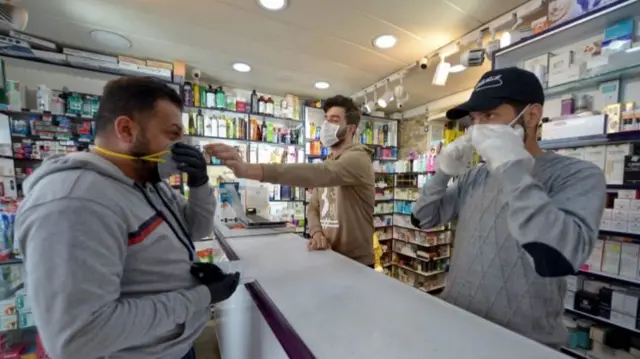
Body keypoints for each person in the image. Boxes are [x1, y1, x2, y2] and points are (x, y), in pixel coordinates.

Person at [15, 77, 239, 359]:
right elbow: (79, 337)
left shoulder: (147, 183)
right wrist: (201, 296)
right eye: (172, 135)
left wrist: (199, 183)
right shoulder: (74, 203)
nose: (180, 148)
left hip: (172, 346)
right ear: (126, 130)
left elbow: (197, 228)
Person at [411, 67, 605, 347]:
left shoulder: (577, 175)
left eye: (489, 116)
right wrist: (443, 172)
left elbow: (557, 257)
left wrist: (512, 168)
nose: (477, 130)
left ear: (531, 115)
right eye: (474, 119)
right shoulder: (474, 176)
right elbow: (422, 218)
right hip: (456, 324)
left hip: (524, 343)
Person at [206, 95, 376, 266]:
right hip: (329, 256)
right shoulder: (330, 161)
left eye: (334, 120)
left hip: (356, 262)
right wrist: (317, 233)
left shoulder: (359, 159)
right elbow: (313, 208)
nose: (326, 125)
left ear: (351, 129)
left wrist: (248, 169)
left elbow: (320, 173)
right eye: (326, 120)